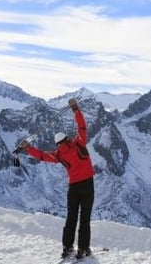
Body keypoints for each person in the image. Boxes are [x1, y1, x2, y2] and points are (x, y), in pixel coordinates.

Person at [18, 98, 94, 260]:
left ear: (58, 144)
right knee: (85, 218)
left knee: (71, 217)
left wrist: (27, 148)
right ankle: (83, 248)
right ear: (67, 138)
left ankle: (67, 247)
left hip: (73, 187)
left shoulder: (58, 154)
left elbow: (42, 156)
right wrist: (75, 109)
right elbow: (81, 126)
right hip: (87, 184)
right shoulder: (79, 143)